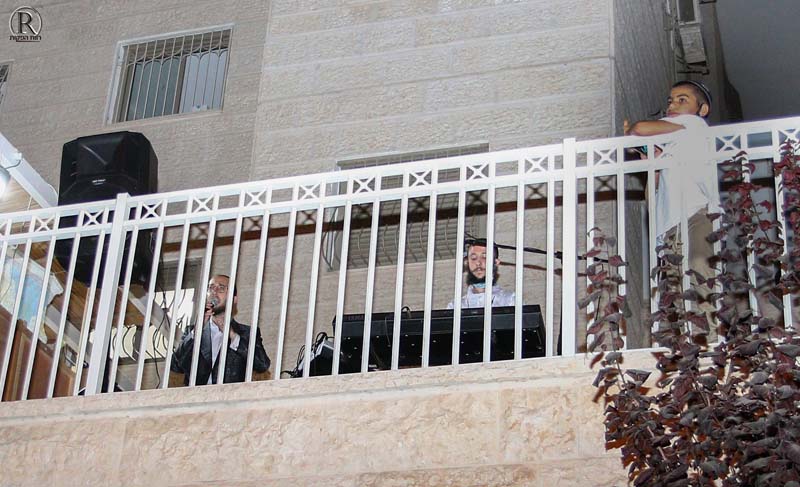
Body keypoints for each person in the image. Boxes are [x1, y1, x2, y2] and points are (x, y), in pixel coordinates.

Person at [625, 80, 717, 282]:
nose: (672, 105)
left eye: (682, 100)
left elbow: (640, 129)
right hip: (670, 223)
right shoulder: (673, 141)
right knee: (676, 287)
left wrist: (631, 133)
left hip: (698, 213)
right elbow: (653, 196)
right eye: (670, 101)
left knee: (699, 264)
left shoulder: (694, 124)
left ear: (702, 110)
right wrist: (653, 164)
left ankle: (711, 304)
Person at [171, 274, 270, 385]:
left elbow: (262, 365)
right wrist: (197, 331)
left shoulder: (247, 333)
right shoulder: (192, 332)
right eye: (211, 288)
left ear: (234, 299)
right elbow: (175, 366)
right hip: (197, 395)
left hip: (232, 394)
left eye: (221, 288)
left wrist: (233, 336)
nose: (214, 292)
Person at [447, 238, 515, 309]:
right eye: (473, 258)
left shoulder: (510, 301)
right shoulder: (455, 307)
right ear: (467, 263)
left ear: (496, 262)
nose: (478, 263)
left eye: (484, 257)